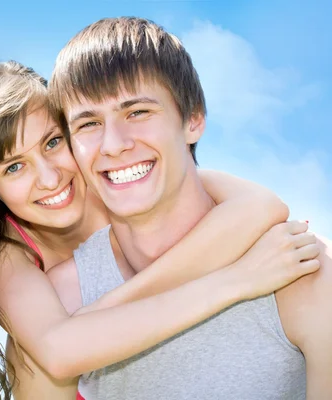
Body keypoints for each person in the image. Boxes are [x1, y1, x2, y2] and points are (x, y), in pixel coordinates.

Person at [0, 61, 319, 400]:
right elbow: (60, 351)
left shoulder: (118, 181)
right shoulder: (8, 254)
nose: (49, 178)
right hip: (81, 379)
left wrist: (105, 307)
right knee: (27, 355)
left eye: (51, 143)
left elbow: (263, 206)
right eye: (14, 167)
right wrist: (236, 281)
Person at [45, 17, 331, 400]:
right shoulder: (61, 300)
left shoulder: (301, 271)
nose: (113, 144)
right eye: (89, 123)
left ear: (193, 119)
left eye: (138, 112)